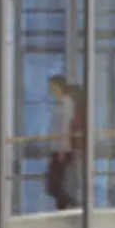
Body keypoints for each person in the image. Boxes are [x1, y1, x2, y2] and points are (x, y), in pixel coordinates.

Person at [46, 76, 80, 210]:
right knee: (56, 183)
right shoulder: (59, 102)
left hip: (63, 149)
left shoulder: (66, 102)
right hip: (58, 148)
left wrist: (62, 149)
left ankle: (72, 204)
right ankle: (64, 207)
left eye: (53, 86)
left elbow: (65, 126)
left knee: (54, 183)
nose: (51, 90)